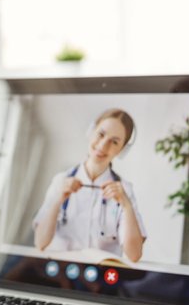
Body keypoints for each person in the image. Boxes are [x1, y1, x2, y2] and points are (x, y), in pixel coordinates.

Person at [32, 109, 147, 263]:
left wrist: (127, 206)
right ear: (91, 132)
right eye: (101, 134)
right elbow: (40, 243)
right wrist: (58, 199)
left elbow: (134, 255)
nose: (103, 145)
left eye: (114, 142)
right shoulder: (61, 181)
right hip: (60, 270)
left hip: (99, 274)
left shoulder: (124, 190)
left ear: (122, 150)